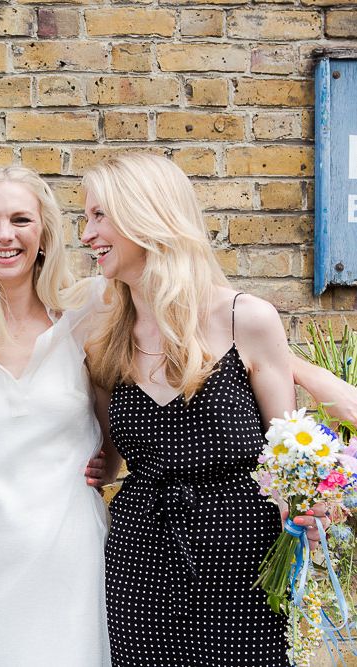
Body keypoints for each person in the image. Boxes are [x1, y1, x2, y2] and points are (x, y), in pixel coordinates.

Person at [80, 154, 302, 666]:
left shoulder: (245, 319)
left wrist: (305, 506)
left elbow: (286, 453)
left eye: (99, 216)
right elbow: (108, 452)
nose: (87, 234)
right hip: (140, 550)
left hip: (239, 550)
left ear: (146, 214)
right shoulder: (104, 340)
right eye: (86, 218)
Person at [0, 166, 112, 666]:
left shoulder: (89, 310)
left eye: (20, 219)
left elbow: (118, 414)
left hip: (69, 553)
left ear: (45, 231)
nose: (3, 235)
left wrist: (109, 465)